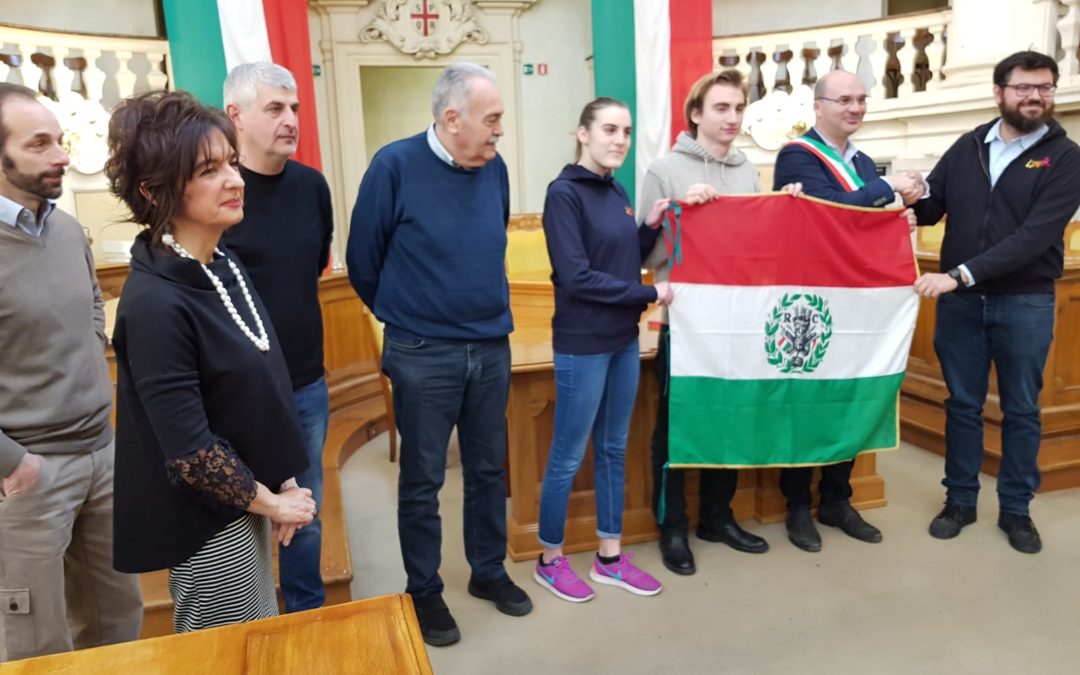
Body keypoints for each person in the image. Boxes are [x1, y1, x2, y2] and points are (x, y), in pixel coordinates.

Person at [106, 91, 316, 632]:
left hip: (248, 500)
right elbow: (192, 454)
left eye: (231, 162)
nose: (235, 179)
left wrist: (284, 479)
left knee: (260, 641)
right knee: (231, 654)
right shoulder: (155, 302)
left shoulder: (222, 262)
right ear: (155, 191)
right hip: (208, 525)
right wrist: (274, 503)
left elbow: (253, 390)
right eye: (208, 169)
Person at [346, 62, 532, 646]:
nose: (500, 131)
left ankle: (487, 571)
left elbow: (491, 236)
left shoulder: (493, 168)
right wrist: (409, 320)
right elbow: (363, 262)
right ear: (452, 119)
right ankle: (423, 589)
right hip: (423, 351)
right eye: (492, 119)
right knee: (423, 478)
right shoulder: (393, 167)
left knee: (485, 468)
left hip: (490, 346)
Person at [912, 51, 1080, 554]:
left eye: (1045, 88)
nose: (1035, 97)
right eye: (1025, 88)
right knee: (962, 405)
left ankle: (1016, 510)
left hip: (1024, 302)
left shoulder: (1066, 157)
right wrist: (900, 196)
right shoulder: (968, 147)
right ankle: (960, 501)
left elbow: (1035, 236)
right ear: (999, 92)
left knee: (1022, 410)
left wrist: (958, 275)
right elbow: (931, 205)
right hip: (963, 307)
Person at [0, 83, 143, 662]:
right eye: (40, 144)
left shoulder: (63, 228)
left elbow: (90, 299)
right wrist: (14, 464)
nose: (61, 155)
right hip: (30, 475)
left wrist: (86, 355)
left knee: (118, 617)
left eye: (59, 140)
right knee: (37, 641)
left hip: (100, 454)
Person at [640, 69, 797, 575]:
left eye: (737, 108)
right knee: (677, 425)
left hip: (739, 320)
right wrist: (680, 212)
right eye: (721, 108)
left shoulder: (750, 170)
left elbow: (757, 247)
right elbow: (646, 252)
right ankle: (672, 526)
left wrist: (784, 209)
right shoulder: (665, 169)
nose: (732, 118)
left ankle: (717, 516)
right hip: (686, 321)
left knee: (729, 417)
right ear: (696, 114)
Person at [772, 69, 922, 553]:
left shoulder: (859, 159)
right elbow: (830, 211)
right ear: (818, 107)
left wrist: (900, 214)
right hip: (810, 300)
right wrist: (888, 189)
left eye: (861, 99)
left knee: (847, 396)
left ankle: (838, 498)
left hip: (856, 299)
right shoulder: (797, 155)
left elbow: (866, 222)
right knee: (805, 399)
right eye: (844, 100)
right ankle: (797, 505)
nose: (855, 108)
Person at [532, 97, 671, 603]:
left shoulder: (617, 192)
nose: (619, 140)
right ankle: (550, 559)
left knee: (614, 449)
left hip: (621, 340)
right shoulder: (564, 193)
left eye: (627, 132)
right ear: (583, 133)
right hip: (583, 343)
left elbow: (623, 257)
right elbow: (577, 277)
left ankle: (609, 557)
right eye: (609, 129)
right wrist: (650, 294)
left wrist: (650, 226)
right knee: (567, 457)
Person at [222, 62, 334, 612]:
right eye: (274, 108)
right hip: (235, 394)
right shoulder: (216, 193)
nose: (291, 119)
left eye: (294, 108)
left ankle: (306, 621)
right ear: (235, 117)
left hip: (305, 384)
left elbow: (313, 267)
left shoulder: (312, 186)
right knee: (237, 522)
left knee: (303, 517)